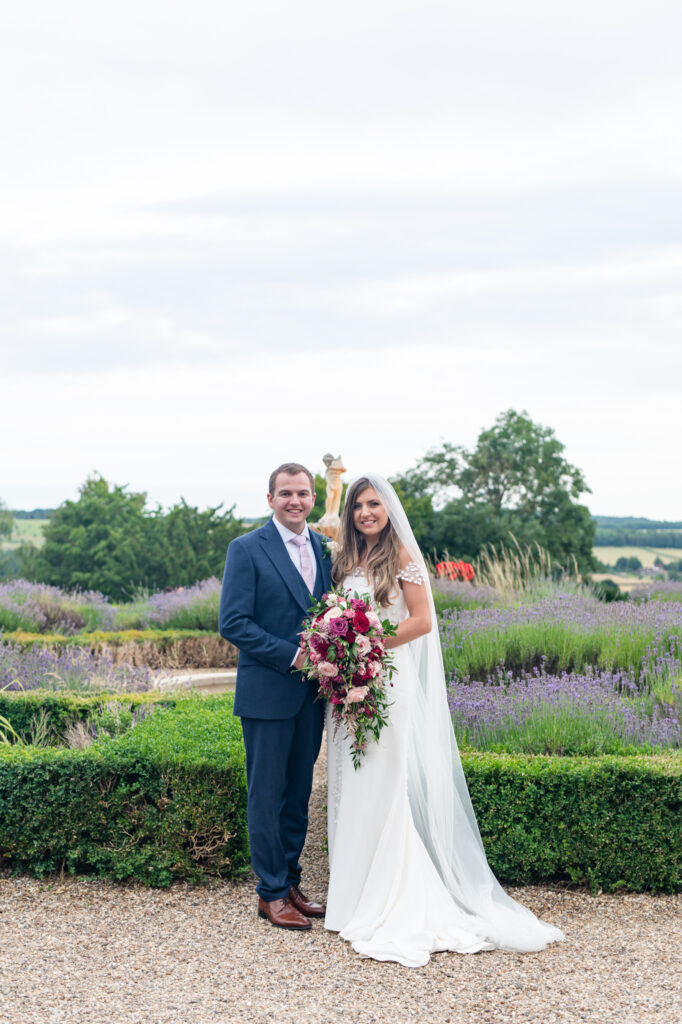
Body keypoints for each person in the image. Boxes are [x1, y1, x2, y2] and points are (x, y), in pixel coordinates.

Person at [324, 473, 564, 967]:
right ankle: (352, 896)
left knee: (384, 784)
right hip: (350, 680)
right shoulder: (346, 560)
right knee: (353, 778)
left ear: (389, 509)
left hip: (387, 681)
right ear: (349, 514)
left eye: (374, 504)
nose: (365, 513)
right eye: (357, 506)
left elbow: (422, 621)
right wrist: (340, 648)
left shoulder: (404, 559)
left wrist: (368, 644)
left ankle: (391, 895)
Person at [219, 463, 332, 930]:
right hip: (267, 694)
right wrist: (297, 656)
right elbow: (234, 623)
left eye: (303, 493)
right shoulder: (246, 549)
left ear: (312, 498)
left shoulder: (325, 548)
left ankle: (289, 882)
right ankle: (269, 893)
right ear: (270, 499)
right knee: (266, 795)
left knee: (297, 795)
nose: (295, 501)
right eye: (285, 493)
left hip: (311, 697)